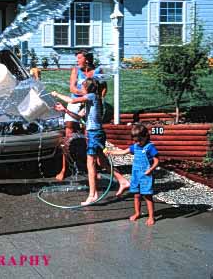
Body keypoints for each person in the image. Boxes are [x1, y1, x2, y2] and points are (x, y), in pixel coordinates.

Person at [51, 78, 129, 205]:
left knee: (90, 164)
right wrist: (64, 110)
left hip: (94, 134)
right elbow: (79, 117)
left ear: (87, 89)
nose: (81, 90)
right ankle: (123, 181)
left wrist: (57, 94)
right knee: (102, 162)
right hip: (95, 134)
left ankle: (93, 195)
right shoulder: (90, 101)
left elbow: (71, 100)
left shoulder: (92, 96)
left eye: (82, 87)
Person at [55, 50, 105, 181]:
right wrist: (84, 95)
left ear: (86, 59)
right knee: (68, 137)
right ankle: (65, 169)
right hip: (76, 102)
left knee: (90, 137)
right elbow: (72, 89)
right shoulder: (76, 70)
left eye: (79, 58)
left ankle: (94, 168)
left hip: (90, 104)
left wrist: (98, 99)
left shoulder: (98, 70)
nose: (77, 61)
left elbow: (104, 88)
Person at [106, 124, 159, 226]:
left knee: (147, 196)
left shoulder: (150, 147)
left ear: (146, 136)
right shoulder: (135, 147)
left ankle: (151, 216)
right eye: (135, 141)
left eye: (139, 140)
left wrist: (151, 169)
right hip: (136, 175)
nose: (137, 143)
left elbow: (157, 161)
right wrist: (110, 152)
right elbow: (123, 152)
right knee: (136, 195)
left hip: (146, 175)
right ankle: (137, 213)